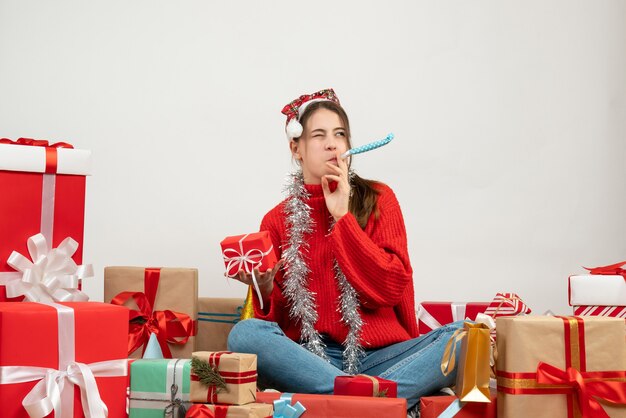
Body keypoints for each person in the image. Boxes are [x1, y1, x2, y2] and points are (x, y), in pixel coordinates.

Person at [227, 88, 463, 411]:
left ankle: (345, 404)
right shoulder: (276, 220)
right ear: (296, 148)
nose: (332, 144)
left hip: (383, 359)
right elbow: (279, 329)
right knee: (244, 336)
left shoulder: (380, 199)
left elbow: (390, 288)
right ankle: (369, 404)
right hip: (311, 363)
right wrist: (265, 289)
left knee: (464, 337)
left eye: (340, 134)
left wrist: (342, 218)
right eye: (319, 135)